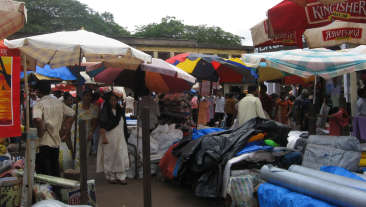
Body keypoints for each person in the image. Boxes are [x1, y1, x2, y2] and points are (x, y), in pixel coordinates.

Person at [33, 81, 74, 177]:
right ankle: (56, 191)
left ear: (38, 91)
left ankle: (48, 191)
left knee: (44, 174)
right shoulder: (58, 102)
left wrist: (40, 132)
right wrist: (65, 126)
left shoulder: (38, 104)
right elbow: (72, 113)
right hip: (56, 143)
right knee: (55, 170)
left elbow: (38, 119)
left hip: (43, 143)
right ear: (50, 90)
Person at [97, 93, 129, 184]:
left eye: (115, 100)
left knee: (120, 155)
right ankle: (110, 176)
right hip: (109, 137)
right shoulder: (105, 111)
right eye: (111, 100)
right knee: (110, 157)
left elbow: (124, 124)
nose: (113, 102)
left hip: (120, 137)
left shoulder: (120, 110)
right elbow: (102, 125)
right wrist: (103, 137)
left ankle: (121, 176)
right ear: (108, 101)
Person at [72, 90, 98, 167]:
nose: (88, 97)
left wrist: (91, 133)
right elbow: (71, 119)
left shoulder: (94, 108)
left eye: (89, 96)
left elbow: (94, 122)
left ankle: (83, 174)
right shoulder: (75, 106)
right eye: (86, 95)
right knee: (77, 152)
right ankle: (77, 172)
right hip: (76, 133)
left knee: (85, 154)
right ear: (83, 97)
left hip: (87, 133)